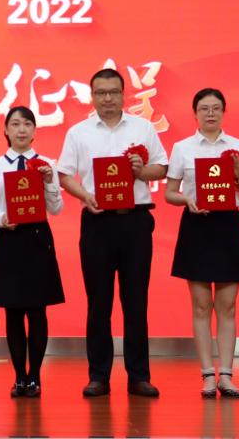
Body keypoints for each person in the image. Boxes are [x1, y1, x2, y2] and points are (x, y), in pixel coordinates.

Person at [57, 68, 168, 398]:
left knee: (136, 301)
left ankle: (139, 376)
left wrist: (141, 171)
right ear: (92, 96)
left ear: (123, 95)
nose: (107, 98)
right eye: (101, 93)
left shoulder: (142, 127)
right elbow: (65, 174)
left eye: (113, 92)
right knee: (98, 302)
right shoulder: (78, 132)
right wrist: (84, 195)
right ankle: (99, 375)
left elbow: (161, 167)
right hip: (97, 222)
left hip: (135, 222)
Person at [164, 88, 239, 399]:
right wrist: (187, 201)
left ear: (223, 112)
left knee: (227, 305)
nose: (210, 113)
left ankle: (226, 375)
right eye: (204, 108)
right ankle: (206, 374)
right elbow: (170, 193)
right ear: (195, 113)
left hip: (228, 227)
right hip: (197, 226)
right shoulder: (182, 148)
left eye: (216, 108)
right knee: (202, 305)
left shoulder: (238, 146)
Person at [0, 106, 65, 398]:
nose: (21, 129)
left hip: (38, 239)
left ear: (35, 130)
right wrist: (1, 218)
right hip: (7, 238)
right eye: (15, 124)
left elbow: (56, 208)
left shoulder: (46, 164)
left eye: (27, 124)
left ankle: (35, 377)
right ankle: (19, 377)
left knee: (37, 311)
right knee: (13, 311)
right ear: (5, 130)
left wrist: (49, 181)